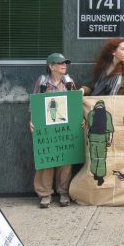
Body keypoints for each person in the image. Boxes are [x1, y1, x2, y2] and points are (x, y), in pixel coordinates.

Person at [29, 53, 76, 208]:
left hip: (64, 127)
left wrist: (80, 120)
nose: (64, 65)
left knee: (65, 161)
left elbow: (76, 103)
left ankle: (63, 192)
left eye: (65, 63)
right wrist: (32, 121)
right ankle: (45, 194)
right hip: (46, 127)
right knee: (47, 160)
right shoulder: (42, 83)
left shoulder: (68, 82)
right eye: (60, 63)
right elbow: (34, 104)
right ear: (51, 66)